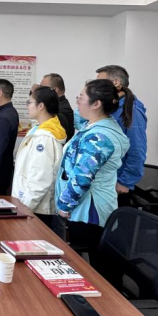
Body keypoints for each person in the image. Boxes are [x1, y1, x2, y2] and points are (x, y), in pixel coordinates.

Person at [55, 80, 130, 261]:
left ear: (96, 104)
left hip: (90, 210)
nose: (77, 102)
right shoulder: (96, 125)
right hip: (85, 205)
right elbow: (79, 118)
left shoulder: (100, 136)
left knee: (87, 263)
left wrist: (65, 205)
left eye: (80, 98)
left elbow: (82, 177)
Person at [12, 86, 67, 226]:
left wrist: (24, 208)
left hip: (35, 208)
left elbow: (40, 179)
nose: (27, 106)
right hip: (28, 204)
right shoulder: (39, 128)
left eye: (29, 102)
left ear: (41, 106)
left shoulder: (44, 138)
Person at [94, 65, 147, 204]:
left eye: (100, 82)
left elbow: (137, 150)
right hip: (103, 182)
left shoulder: (132, 110)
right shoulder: (111, 107)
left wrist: (125, 182)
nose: (96, 87)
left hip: (117, 184)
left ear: (116, 83)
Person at [39, 73, 75, 140]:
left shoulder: (64, 111)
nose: (39, 92)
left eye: (43, 88)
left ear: (55, 90)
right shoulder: (53, 105)